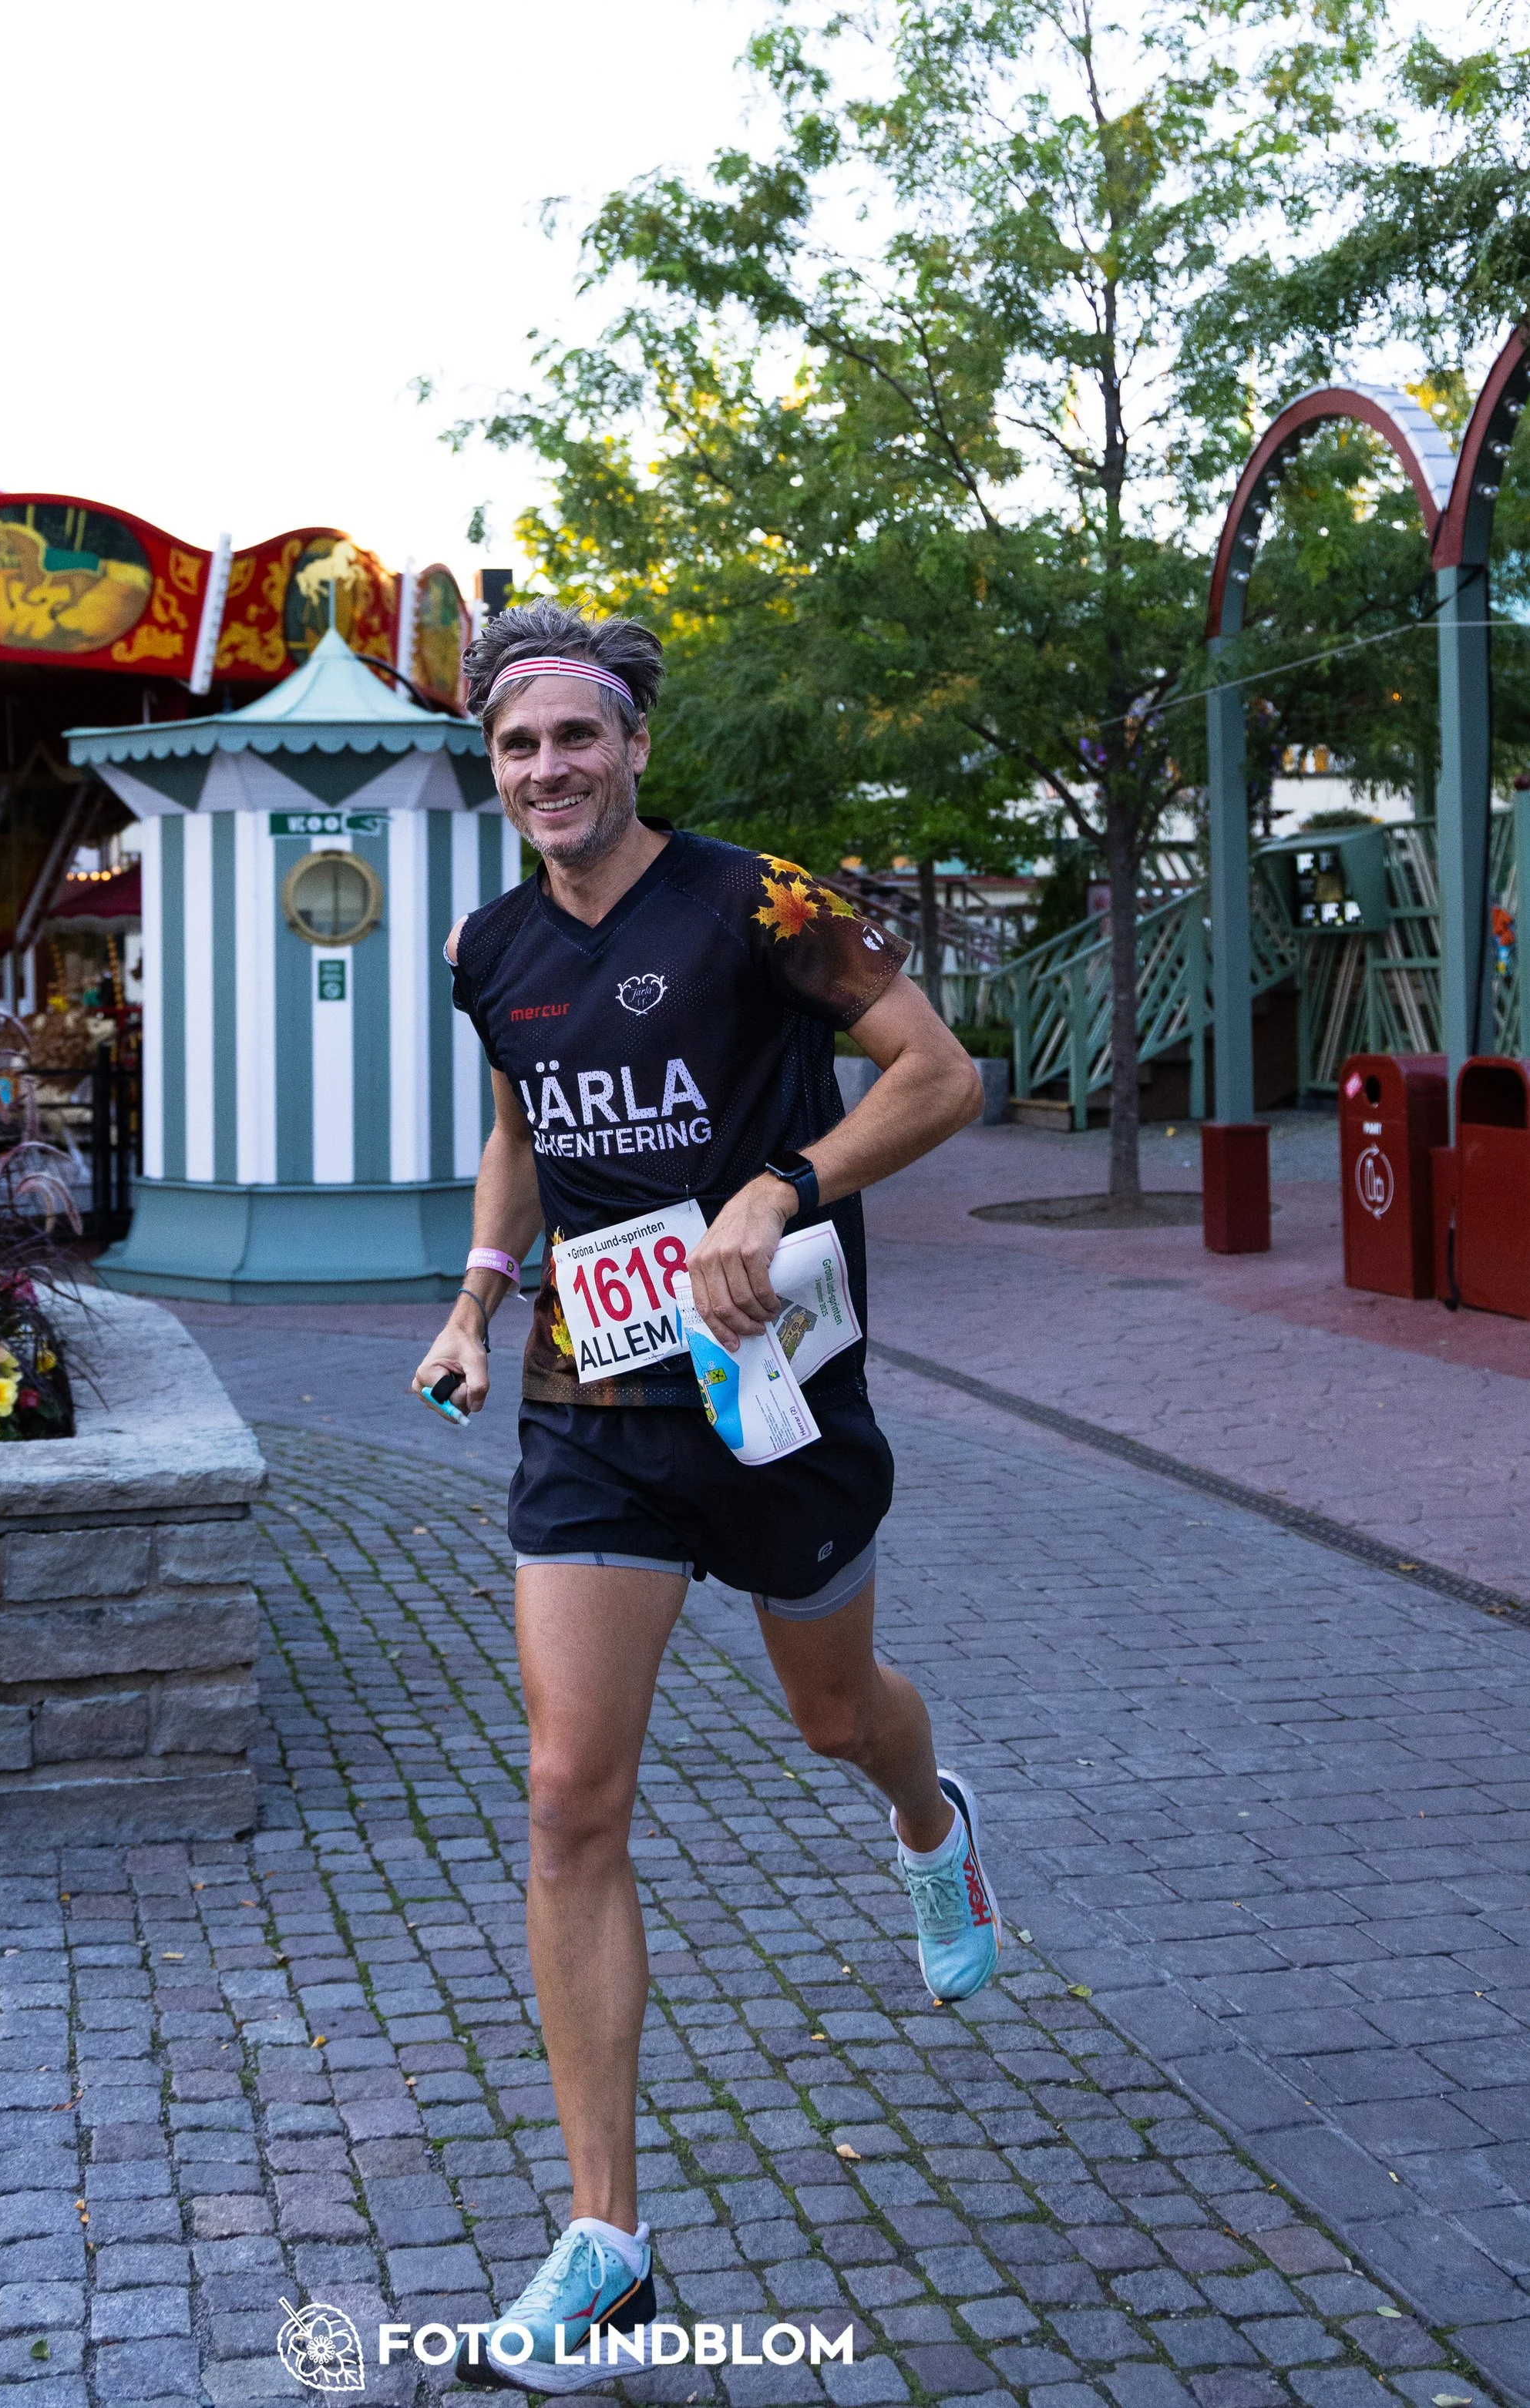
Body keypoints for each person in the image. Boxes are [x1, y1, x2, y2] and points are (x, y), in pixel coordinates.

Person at [410, 600, 997, 2393]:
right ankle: (608, 2242)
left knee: (833, 1715)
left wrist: (781, 1185)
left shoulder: (762, 900)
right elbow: (523, 1124)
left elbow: (940, 1074)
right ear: (491, 767)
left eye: (574, 736)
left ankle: (929, 1819)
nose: (547, 768)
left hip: (775, 1393)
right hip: (592, 1397)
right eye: (515, 746)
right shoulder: (488, 943)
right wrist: (476, 1293)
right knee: (565, 1792)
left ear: (633, 744)